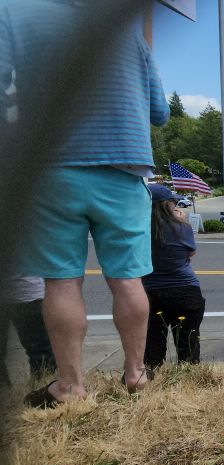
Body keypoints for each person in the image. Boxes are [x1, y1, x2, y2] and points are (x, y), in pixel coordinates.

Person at [8, 1, 170, 406]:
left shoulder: (16, 13)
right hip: (124, 164)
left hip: (52, 163)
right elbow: (161, 113)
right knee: (127, 280)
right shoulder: (125, 29)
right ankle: (135, 373)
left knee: (61, 280)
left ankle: (70, 385)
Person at [143, 184, 205, 369]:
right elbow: (190, 253)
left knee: (152, 344)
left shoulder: (137, 229)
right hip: (185, 290)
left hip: (149, 291)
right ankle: (187, 382)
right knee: (188, 343)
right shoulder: (181, 226)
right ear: (167, 205)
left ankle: (151, 376)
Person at [0, 275, 55, 386]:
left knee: (41, 354)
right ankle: (43, 394)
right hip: (28, 291)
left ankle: (43, 393)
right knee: (41, 354)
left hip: (27, 292)